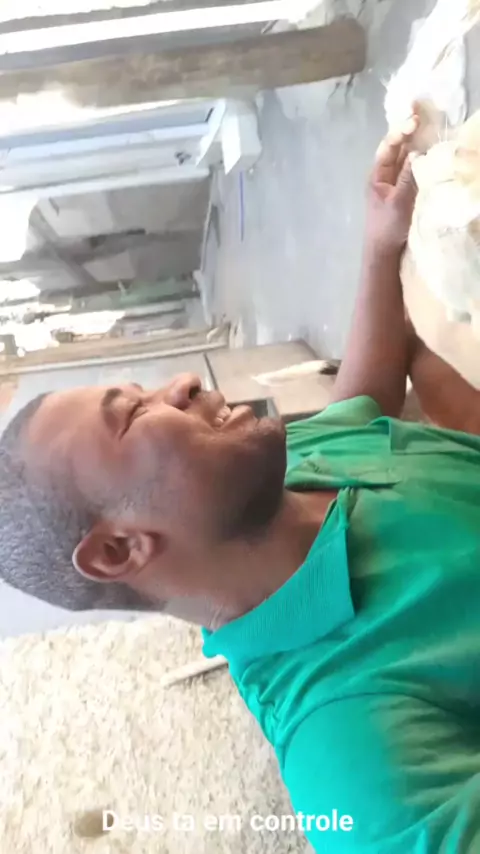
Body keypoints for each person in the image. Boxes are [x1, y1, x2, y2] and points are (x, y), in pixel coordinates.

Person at [2, 113, 480, 853]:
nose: (183, 383)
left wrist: (381, 243)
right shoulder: (350, 746)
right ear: (119, 549)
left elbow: (361, 403)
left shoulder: (288, 480)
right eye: (134, 415)